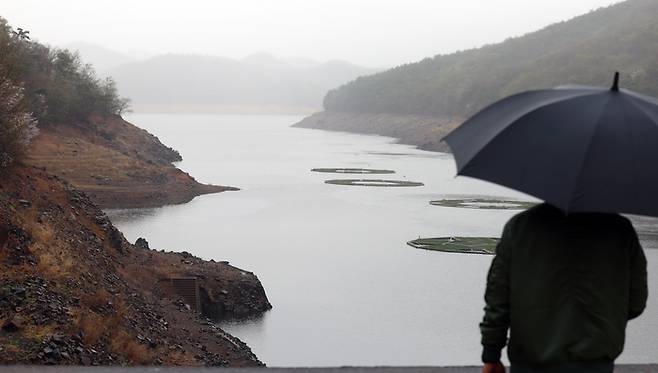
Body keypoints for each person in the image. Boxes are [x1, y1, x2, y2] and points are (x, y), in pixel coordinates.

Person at [480, 203, 648, 373]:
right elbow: (636, 303)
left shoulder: (520, 227)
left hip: (531, 359)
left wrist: (491, 353)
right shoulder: (620, 230)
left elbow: (498, 297)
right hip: (595, 359)